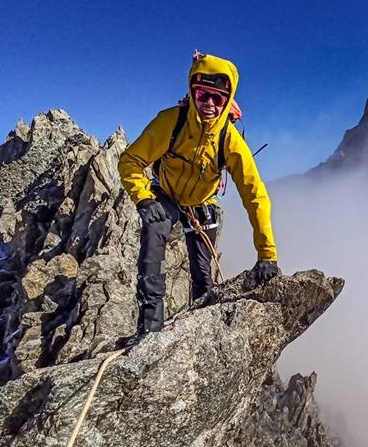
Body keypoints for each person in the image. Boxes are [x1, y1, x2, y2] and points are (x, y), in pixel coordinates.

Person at [118, 53, 278, 339]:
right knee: (154, 233)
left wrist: (267, 254)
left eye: (218, 98)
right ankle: (150, 326)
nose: (210, 104)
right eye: (203, 94)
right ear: (192, 93)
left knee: (202, 271)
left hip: (203, 202)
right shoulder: (171, 122)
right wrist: (143, 198)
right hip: (165, 193)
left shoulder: (230, 140)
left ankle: (199, 329)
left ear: (227, 101)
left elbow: (255, 194)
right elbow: (130, 161)